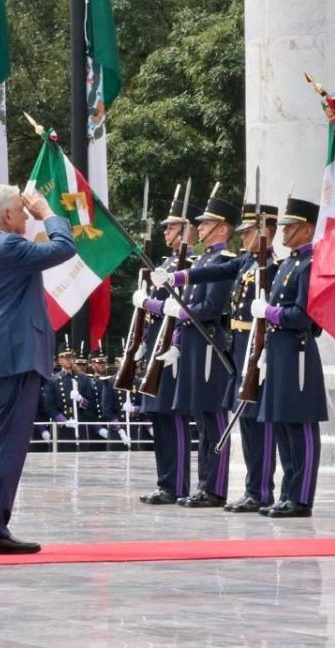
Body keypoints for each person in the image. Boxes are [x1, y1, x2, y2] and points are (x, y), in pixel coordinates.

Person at [0, 183, 77, 554]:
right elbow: (65, 248)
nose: (26, 214)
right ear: (6, 216)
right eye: (20, 209)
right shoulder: (7, 246)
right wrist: (48, 213)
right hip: (12, 361)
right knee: (6, 449)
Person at [154, 201, 281, 511]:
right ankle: (248, 490)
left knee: (253, 421)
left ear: (266, 232)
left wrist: (180, 308)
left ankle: (259, 491)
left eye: (250, 232)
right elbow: (216, 271)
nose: (245, 237)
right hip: (240, 344)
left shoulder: (272, 266)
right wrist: (179, 278)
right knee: (244, 421)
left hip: (252, 345)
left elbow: (212, 306)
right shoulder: (244, 263)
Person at [153, 195, 242, 507]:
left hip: (209, 346)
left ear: (222, 228)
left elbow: (209, 307)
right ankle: (204, 485)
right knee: (202, 419)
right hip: (192, 342)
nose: (199, 226)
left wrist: (177, 311)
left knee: (214, 418)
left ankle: (214, 488)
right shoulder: (204, 261)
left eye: (206, 222)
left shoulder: (223, 261)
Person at [251, 197, 327, 518]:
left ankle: (302, 497)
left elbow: (303, 315)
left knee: (301, 428)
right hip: (280, 352)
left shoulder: (311, 265)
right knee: (283, 426)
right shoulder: (288, 264)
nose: (283, 232)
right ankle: (287, 492)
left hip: (297, 353)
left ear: (307, 228)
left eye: (290, 226)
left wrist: (269, 312)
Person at [135, 197, 202, 504]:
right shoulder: (166, 264)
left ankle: (176, 484)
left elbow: (182, 308)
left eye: (172, 226)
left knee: (171, 415)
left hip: (173, 347)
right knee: (156, 416)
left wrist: (152, 304)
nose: (166, 231)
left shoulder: (190, 266)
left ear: (187, 230)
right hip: (156, 343)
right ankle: (165, 482)